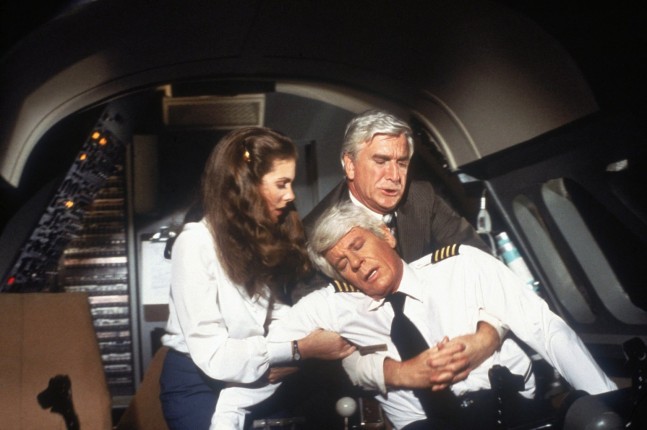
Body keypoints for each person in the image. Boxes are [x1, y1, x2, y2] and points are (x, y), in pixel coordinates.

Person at [270, 201, 618, 429]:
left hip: (510, 408)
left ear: (386, 236)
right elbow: (263, 353)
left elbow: (545, 328)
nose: (357, 264)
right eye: (343, 264)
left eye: (358, 246)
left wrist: (609, 401)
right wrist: (310, 350)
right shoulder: (335, 305)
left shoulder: (461, 266)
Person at [159, 127, 356, 430]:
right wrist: (300, 348)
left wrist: (331, 321)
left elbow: (274, 315)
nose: (290, 195)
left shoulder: (253, 242)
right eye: (281, 184)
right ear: (246, 185)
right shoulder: (194, 242)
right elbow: (214, 355)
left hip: (254, 368)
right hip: (198, 382)